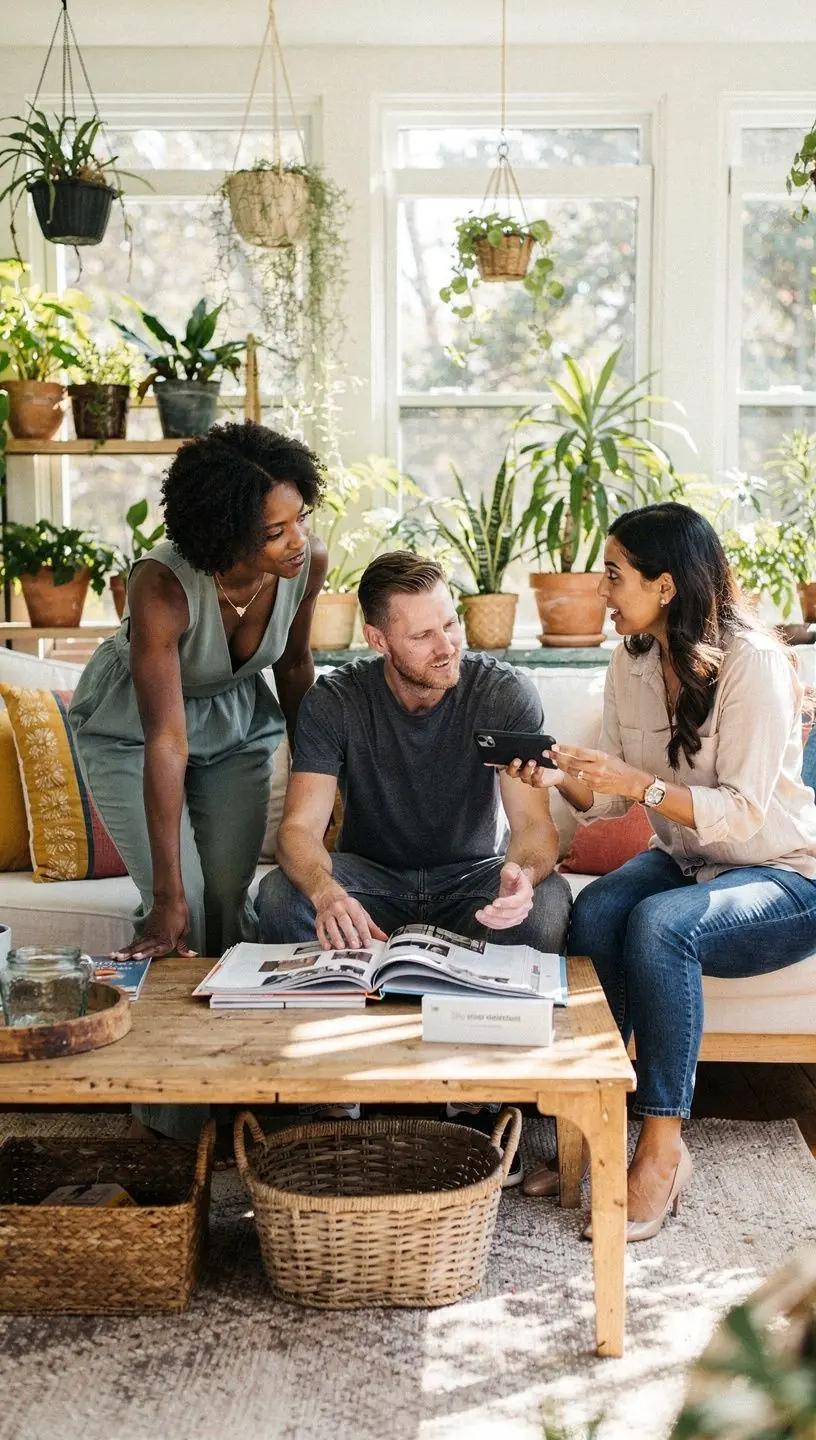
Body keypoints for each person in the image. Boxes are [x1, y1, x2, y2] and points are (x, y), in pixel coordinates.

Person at [513, 503, 816, 1234]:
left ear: (667, 584)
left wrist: (639, 785)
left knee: (660, 925)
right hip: (687, 859)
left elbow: (741, 813)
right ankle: (590, 1129)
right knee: (594, 912)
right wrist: (558, 776)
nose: (603, 591)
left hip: (783, 872)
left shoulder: (755, 663)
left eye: (614, 575)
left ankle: (661, 1151)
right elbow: (607, 797)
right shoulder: (633, 659)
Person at [256, 550, 572, 1184]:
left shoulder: (501, 692)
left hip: (471, 879)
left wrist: (521, 876)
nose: (447, 646)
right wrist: (326, 892)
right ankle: (333, 1098)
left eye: (450, 624)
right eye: (424, 634)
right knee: (279, 900)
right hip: (370, 884)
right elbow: (298, 831)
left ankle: (477, 1102)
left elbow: (535, 830)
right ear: (378, 639)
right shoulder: (336, 700)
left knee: (545, 906)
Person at [69, 421, 327, 1138]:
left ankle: (239, 1086)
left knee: (226, 900)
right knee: (175, 902)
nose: (297, 539)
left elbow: (296, 668)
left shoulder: (307, 564)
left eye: (301, 517)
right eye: (274, 531)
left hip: (239, 727)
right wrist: (167, 897)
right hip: (134, 733)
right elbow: (166, 740)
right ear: (225, 533)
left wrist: (319, 776)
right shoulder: (161, 585)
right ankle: (171, 1117)